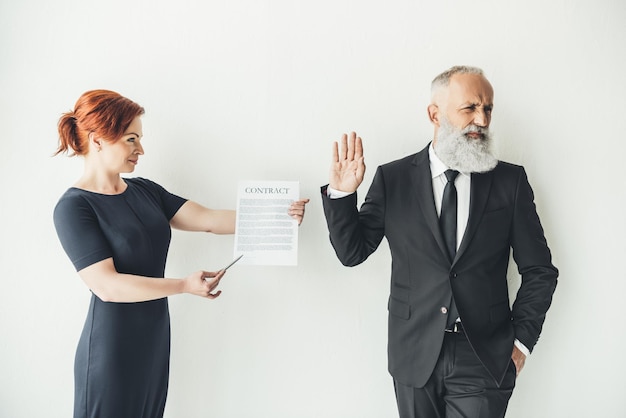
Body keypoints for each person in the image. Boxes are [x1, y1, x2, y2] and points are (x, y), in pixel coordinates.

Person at [53, 89, 310, 418]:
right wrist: (184, 285)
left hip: (155, 339)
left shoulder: (145, 190)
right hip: (111, 349)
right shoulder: (74, 207)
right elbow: (107, 286)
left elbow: (208, 220)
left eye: (140, 139)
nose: (141, 149)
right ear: (98, 139)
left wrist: (280, 214)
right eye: (131, 139)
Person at [321, 66, 558, 417]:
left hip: (483, 356)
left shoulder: (510, 182)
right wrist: (342, 194)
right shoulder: (393, 178)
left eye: (487, 109)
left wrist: (521, 341)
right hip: (413, 353)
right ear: (435, 114)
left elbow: (540, 270)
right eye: (470, 108)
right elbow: (352, 252)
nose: (481, 119)